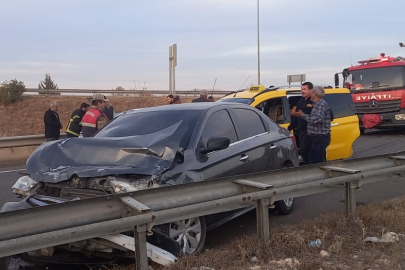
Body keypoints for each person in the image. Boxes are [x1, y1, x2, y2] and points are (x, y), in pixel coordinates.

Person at [291, 86, 332, 164]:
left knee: (314, 159)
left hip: (320, 136)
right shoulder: (315, 104)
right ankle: (312, 171)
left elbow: (317, 118)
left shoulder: (321, 104)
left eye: (312, 92)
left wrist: (302, 115)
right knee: (308, 154)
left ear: (315, 94)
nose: (311, 94)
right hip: (313, 136)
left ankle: (316, 174)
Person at [288, 82, 314, 165]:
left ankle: (311, 166)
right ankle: (309, 166)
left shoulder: (314, 101)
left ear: (310, 90)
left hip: (312, 131)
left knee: (305, 150)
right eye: (301, 89)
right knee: (304, 151)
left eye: (305, 89)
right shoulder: (300, 102)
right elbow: (296, 117)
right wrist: (289, 128)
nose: (302, 91)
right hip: (302, 131)